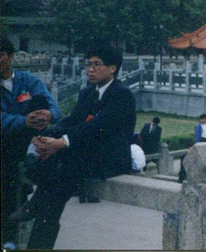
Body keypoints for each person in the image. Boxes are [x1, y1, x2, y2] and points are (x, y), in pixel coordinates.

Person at [10, 45, 136, 249]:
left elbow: (97, 127)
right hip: (82, 156)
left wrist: (61, 142)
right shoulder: (88, 93)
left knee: (54, 183)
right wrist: (46, 137)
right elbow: (71, 121)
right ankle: (37, 228)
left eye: (97, 65)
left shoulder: (122, 95)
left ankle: (33, 207)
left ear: (112, 68)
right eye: (89, 65)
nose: (90, 70)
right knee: (52, 201)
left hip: (109, 159)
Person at [1, 37, 62, 248]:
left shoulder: (28, 81)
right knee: (9, 191)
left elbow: (54, 108)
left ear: (11, 57)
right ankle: (8, 240)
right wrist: (23, 121)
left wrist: (47, 115)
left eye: (0, 55)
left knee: (40, 104)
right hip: (5, 145)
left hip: (27, 139)